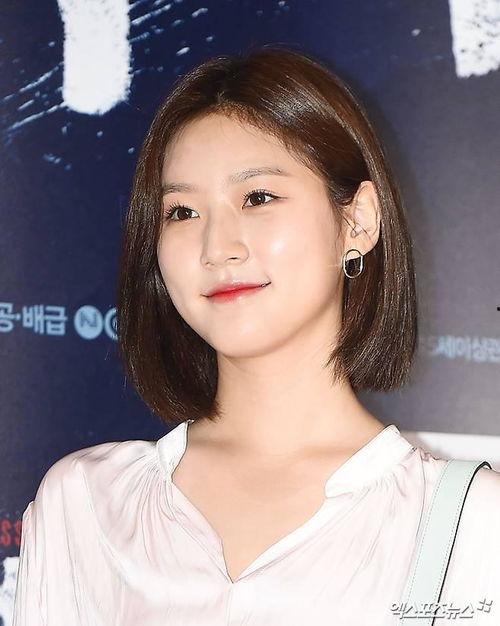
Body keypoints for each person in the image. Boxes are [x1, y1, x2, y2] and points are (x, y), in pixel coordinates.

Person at [12, 44, 500, 626]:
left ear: (358, 220)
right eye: (182, 212)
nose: (217, 247)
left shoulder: (467, 524)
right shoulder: (86, 505)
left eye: (258, 198)